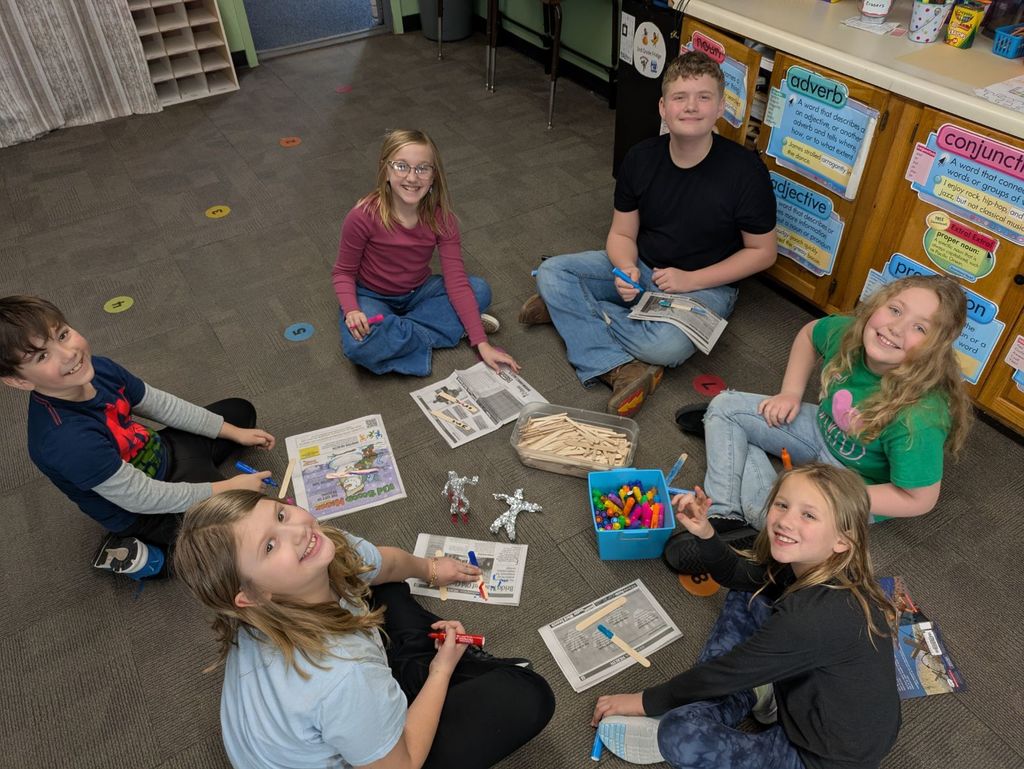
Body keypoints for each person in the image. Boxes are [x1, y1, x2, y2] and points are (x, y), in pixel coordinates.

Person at [174, 491, 555, 769]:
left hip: (331, 703)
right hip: (376, 752)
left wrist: (431, 569)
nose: (298, 531)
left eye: (281, 514)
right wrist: (441, 672)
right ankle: (431, 671)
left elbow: (384, 564)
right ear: (250, 594)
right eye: (270, 546)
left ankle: (418, 675)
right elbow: (401, 764)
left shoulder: (309, 558)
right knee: (529, 695)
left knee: (382, 585)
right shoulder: (342, 673)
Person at [518, 51, 776, 417]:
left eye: (703, 97)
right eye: (679, 98)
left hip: (706, 285)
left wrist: (690, 280)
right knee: (553, 273)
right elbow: (622, 234)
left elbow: (763, 252)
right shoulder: (640, 158)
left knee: (665, 349)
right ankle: (617, 363)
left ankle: (573, 313)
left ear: (720, 107)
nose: (691, 107)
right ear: (662, 107)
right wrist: (625, 269)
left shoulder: (745, 171)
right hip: (643, 265)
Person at [591, 464, 900, 769]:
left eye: (808, 515)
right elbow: (737, 575)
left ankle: (746, 693)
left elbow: (726, 672)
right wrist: (706, 532)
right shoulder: (816, 563)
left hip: (820, 757)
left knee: (678, 734)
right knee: (750, 591)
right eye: (782, 505)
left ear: (842, 540)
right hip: (810, 695)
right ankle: (756, 692)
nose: (785, 521)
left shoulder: (813, 616)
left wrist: (645, 701)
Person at [665, 274, 972, 575]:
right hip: (821, 432)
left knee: (782, 516)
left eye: (920, 327)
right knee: (724, 406)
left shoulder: (919, 417)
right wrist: (790, 393)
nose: (896, 327)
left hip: (854, 483)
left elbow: (920, 500)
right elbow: (810, 335)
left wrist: (829, 494)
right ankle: (724, 518)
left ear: (934, 347)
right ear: (878, 304)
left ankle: (749, 509)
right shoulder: (850, 333)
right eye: (895, 309)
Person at [0, 295, 275, 579]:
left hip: (162, 452)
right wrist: (227, 488)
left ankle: (207, 492)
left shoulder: (97, 368)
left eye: (63, 334)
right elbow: (143, 497)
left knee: (239, 413)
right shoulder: (65, 441)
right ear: (20, 380)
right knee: (235, 544)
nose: (69, 353)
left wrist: (235, 432)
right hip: (141, 512)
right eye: (42, 355)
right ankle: (145, 558)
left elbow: (162, 405)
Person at [333, 128, 518, 376]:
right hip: (371, 294)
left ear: (433, 176)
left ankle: (399, 331)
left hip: (418, 290)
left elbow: (456, 281)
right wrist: (353, 310)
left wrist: (482, 343)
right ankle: (448, 328)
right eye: (401, 166)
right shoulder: (362, 215)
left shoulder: (443, 218)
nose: (412, 177)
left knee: (480, 290)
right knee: (358, 346)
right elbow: (343, 273)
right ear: (385, 170)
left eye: (423, 168)